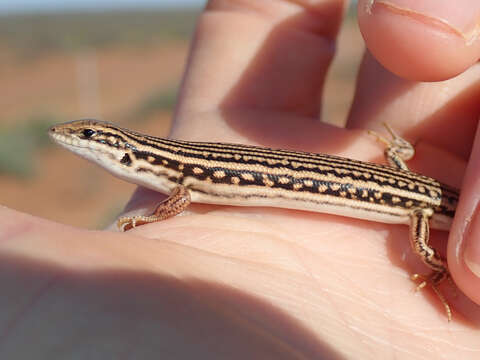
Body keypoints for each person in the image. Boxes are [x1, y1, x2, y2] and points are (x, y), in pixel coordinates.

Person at [2, 1, 480, 358]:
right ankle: (401, 157)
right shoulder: (175, 169)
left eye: (88, 135)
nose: (74, 138)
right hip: (397, 186)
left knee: (423, 253)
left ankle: (436, 268)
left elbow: (180, 199)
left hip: (414, 203)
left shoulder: (176, 178)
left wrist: (149, 219)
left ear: (121, 150)